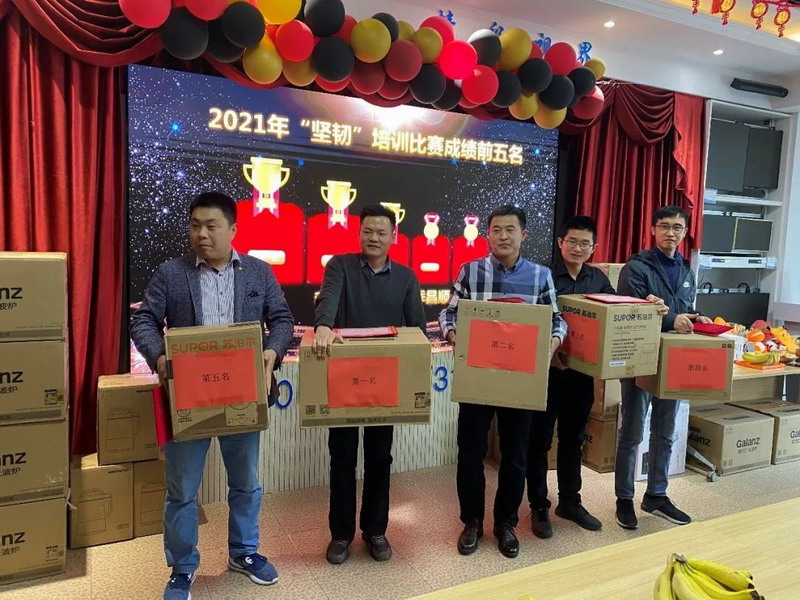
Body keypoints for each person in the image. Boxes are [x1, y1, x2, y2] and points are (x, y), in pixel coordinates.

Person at [130, 192, 294, 600]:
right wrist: (160, 356)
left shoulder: (258, 272)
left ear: (232, 229)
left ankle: (244, 551)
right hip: (188, 399)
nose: (201, 234)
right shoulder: (171, 273)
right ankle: (183, 567)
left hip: (243, 396)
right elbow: (143, 320)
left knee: (246, 483)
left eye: (211, 226)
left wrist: (272, 351)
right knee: (182, 491)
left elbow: (282, 319)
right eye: (195, 226)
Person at [526, 216, 668, 539]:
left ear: (594, 247)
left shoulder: (598, 279)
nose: (578, 248)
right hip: (548, 374)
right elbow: (531, 320)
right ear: (560, 243)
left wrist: (647, 304)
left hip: (582, 376)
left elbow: (618, 311)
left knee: (573, 439)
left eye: (585, 244)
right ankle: (538, 506)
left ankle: (570, 502)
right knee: (539, 442)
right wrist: (550, 352)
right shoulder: (543, 276)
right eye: (572, 242)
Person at [439, 205, 567, 559]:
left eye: (510, 230)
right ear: (488, 234)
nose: (503, 236)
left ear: (523, 235)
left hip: (518, 380)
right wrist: (455, 336)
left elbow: (557, 319)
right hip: (478, 377)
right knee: (470, 453)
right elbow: (449, 312)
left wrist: (552, 344)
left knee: (515, 455)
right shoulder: (470, 271)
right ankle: (472, 522)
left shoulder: (540, 276)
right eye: (496, 229)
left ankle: (505, 524)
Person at [312, 204, 427, 565]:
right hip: (344, 379)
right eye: (367, 231)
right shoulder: (340, 266)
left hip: (385, 382)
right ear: (359, 233)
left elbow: (416, 329)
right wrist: (323, 326)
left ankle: (376, 530)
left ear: (394, 236)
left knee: (380, 457)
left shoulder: (406, 277)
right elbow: (328, 300)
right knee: (342, 457)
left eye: (381, 232)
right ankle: (341, 534)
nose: (373, 238)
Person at [615, 205, 712, 530]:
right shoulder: (636, 267)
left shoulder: (685, 269)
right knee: (632, 432)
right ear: (653, 229)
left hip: (674, 361)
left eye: (678, 227)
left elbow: (684, 308)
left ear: (685, 232)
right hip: (640, 358)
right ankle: (624, 499)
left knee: (666, 431)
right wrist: (673, 319)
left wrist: (697, 318)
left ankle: (656, 495)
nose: (671, 233)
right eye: (665, 226)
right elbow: (630, 311)